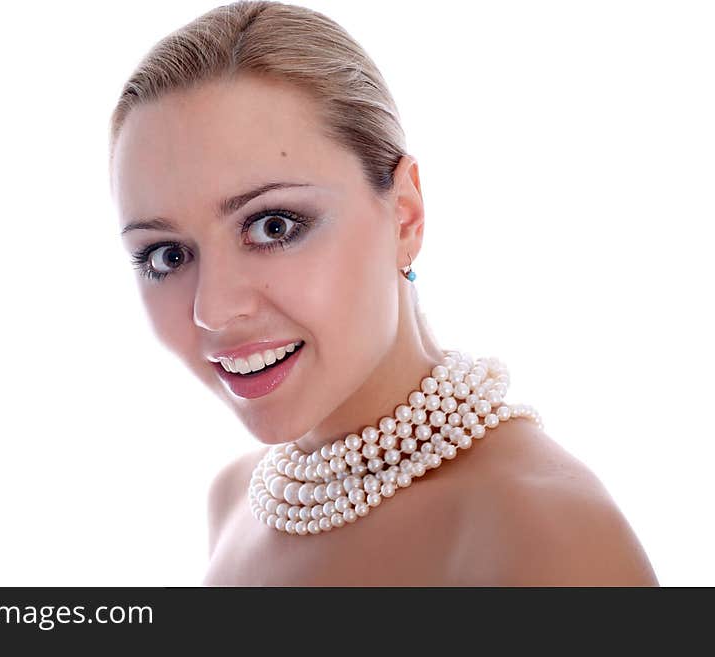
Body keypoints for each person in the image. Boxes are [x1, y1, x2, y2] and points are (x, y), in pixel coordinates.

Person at [108, 0, 659, 586]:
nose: (213, 310)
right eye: (167, 255)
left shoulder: (544, 536)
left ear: (405, 214)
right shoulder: (235, 504)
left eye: (273, 226)